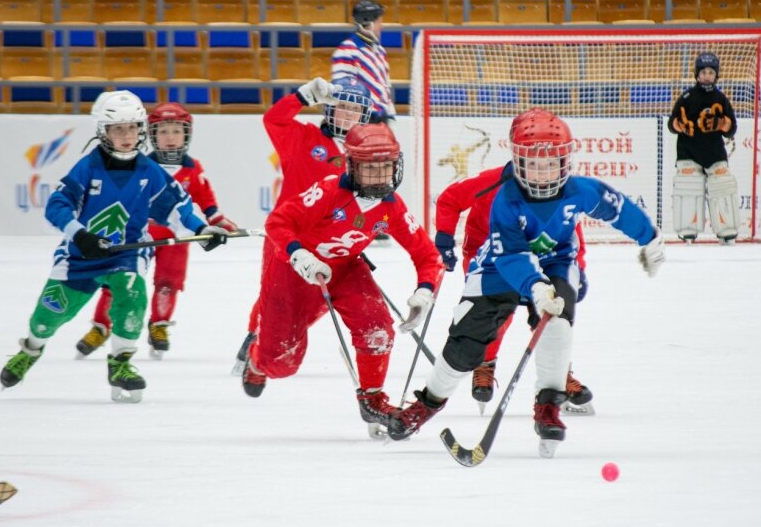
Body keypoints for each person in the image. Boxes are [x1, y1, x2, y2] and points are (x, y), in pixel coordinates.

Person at [386, 108, 666, 458]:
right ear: (517, 161)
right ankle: (427, 402)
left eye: (551, 162)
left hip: (558, 263)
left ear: (566, 161)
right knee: (464, 342)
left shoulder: (580, 190)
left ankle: (548, 404)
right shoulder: (506, 198)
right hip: (498, 267)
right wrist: (534, 287)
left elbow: (618, 209)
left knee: (557, 327)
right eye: (533, 163)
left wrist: (650, 238)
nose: (542, 171)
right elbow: (511, 256)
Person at [0, 91, 229, 403]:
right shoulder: (88, 167)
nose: (127, 136)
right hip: (80, 257)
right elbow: (57, 206)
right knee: (47, 318)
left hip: (126, 254)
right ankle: (31, 348)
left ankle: (120, 363)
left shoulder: (149, 170)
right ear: (103, 131)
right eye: (118, 129)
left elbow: (177, 207)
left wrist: (202, 229)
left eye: (132, 128)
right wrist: (80, 236)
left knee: (132, 296)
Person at [241, 123, 444, 436]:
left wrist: (425, 293)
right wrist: (300, 255)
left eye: (386, 167)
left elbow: (428, 256)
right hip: (291, 270)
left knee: (376, 328)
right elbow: (278, 222)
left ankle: (373, 399)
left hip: (345, 268)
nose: (380, 176)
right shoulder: (327, 191)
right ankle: (257, 359)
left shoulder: (392, 207)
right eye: (370, 168)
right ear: (352, 165)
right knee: (282, 362)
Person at [232, 76, 374, 375]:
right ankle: (255, 339)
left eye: (355, 108)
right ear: (329, 109)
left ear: (365, 114)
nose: (348, 114)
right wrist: (302, 96)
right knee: (275, 296)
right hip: (287, 236)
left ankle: (277, 336)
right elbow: (274, 120)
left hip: (331, 243)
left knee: (318, 301)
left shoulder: (366, 153)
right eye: (341, 106)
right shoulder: (304, 138)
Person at [75, 102, 238, 359]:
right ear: (150, 135)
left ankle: (159, 326)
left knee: (168, 284)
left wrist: (217, 220)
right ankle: (102, 326)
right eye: (163, 132)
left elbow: (206, 200)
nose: (170, 138)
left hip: (177, 237)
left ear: (187, 134)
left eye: (176, 131)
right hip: (139, 237)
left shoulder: (193, 168)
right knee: (119, 281)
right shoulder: (141, 166)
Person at [435, 164, 595, 415]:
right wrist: (444, 236)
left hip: (539, 253)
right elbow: (449, 199)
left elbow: (572, 236)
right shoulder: (492, 179)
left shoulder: (561, 190)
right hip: (485, 253)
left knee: (551, 311)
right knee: (495, 312)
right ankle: (484, 363)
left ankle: (558, 374)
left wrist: (577, 271)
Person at [668, 51, 739, 243]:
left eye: (711, 72)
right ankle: (688, 229)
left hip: (714, 152)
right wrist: (679, 125)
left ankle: (727, 230)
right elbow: (671, 124)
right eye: (703, 72)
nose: (707, 75)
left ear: (716, 75)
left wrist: (723, 124)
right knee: (688, 188)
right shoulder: (686, 97)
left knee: (722, 187)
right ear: (697, 74)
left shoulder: (721, 98)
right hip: (688, 151)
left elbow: (732, 128)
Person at [332, 0, 395, 126]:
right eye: (379, 22)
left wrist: (390, 114)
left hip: (381, 119)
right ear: (368, 23)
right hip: (360, 120)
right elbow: (341, 89)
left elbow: (385, 86)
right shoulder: (347, 50)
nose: (381, 26)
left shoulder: (380, 51)